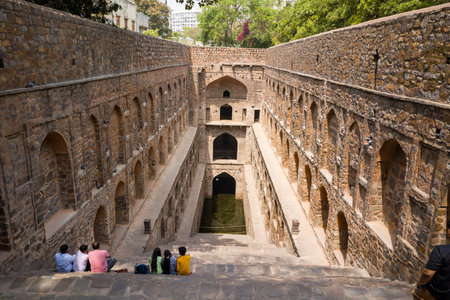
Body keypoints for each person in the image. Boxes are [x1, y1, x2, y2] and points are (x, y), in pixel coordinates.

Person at [413, 220, 450, 300]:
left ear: (449, 231)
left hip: (436, 294)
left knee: (416, 294)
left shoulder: (441, 251)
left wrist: (419, 283)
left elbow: (428, 273)